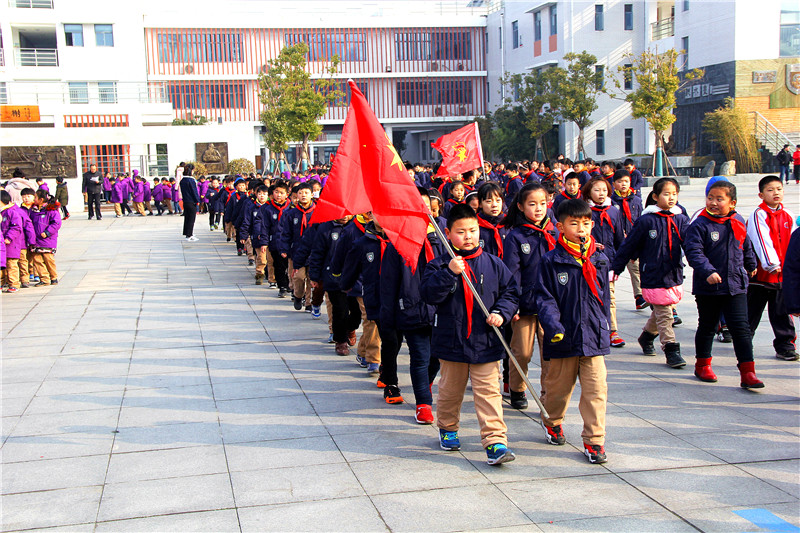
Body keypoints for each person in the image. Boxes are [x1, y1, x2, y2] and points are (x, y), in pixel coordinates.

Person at [421, 204, 519, 466]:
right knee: (450, 391)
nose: (468, 236)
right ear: (447, 233)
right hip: (451, 341)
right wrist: (448, 273)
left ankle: (495, 441)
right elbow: (429, 295)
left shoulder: (493, 263)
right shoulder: (438, 265)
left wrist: (501, 313)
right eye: (461, 232)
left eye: (473, 230)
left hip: (485, 340)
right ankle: (448, 428)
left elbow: (510, 292)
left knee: (489, 392)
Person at [533, 199, 611, 464]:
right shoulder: (551, 261)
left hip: (593, 337)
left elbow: (604, 298)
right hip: (563, 336)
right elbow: (544, 298)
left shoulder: (599, 258)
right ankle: (552, 421)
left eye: (586, 223)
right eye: (574, 223)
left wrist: (606, 326)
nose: (581, 229)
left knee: (596, 391)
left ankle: (594, 441)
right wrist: (553, 327)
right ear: (560, 226)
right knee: (557, 390)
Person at [683, 181, 763, 389]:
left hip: (735, 284)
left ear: (732, 202)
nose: (714, 203)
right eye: (710, 198)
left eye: (720, 199)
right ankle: (702, 365)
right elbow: (694, 252)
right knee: (708, 326)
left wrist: (751, 263)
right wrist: (708, 271)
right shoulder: (699, 225)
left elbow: (746, 244)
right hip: (709, 286)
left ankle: (748, 372)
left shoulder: (737, 220)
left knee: (741, 329)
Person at [611, 178, 689, 368]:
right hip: (653, 275)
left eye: (674, 194)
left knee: (665, 311)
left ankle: (646, 337)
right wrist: (617, 268)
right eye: (666, 194)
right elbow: (628, 246)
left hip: (673, 273)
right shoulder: (646, 220)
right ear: (655, 196)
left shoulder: (681, 219)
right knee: (664, 312)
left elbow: (693, 245)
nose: (671, 198)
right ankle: (671, 349)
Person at [501, 182, 557, 410]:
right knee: (522, 352)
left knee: (550, 355)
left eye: (542, 203)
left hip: (551, 305)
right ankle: (517, 388)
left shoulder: (555, 231)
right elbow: (511, 273)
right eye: (532, 204)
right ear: (521, 207)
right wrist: (512, 305)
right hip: (524, 306)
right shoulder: (515, 236)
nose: (538, 208)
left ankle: (547, 394)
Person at [746, 175, 798, 361]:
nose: (776, 193)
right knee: (752, 310)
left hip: (782, 276)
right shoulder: (758, 215)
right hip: (761, 275)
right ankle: (743, 341)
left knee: (782, 311)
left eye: (779, 189)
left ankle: (785, 345)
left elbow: (794, 242)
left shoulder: (788, 215)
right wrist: (771, 263)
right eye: (770, 190)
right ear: (761, 194)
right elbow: (761, 240)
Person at [582, 177, 625, 347]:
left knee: (610, 297)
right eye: (597, 190)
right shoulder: (584, 210)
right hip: (587, 260)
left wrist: (619, 262)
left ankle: (612, 331)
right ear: (588, 192)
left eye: (604, 190)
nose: (601, 194)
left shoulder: (614, 211)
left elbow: (620, 238)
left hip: (608, 262)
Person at [610, 170, 646, 310]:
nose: (623, 184)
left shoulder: (636, 200)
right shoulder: (612, 202)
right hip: (617, 241)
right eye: (619, 182)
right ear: (614, 184)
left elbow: (640, 218)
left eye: (626, 181)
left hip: (633, 240)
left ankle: (639, 296)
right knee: (614, 270)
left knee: (636, 268)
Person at [30, 190, 62, 286]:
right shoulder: (33, 211)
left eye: (35, 197)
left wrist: (47, 232)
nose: (33, 199)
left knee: (49, 259)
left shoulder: (51, 210)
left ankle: (53, 277)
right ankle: (44, 278)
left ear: (41, 199)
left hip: (47, 240)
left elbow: (57, 223)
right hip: (36, 240)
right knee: (37, 260)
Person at [1, 190, 24, 293]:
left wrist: (8, 238)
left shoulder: (12, 212)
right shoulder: (2, 213)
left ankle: (14, 284)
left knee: (11, 265)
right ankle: (3, 283)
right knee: (3, 266)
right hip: (2, 245)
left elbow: (16, 227)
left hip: (11, 245)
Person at [179, 164, 200, 241]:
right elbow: (194, 191)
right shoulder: (191, 180)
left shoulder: (182, 180)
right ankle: (189, 234)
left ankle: (187, 233)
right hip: (191, 201)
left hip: (185, 201)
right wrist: (197, 200)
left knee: (187, 218)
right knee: (191, 219)